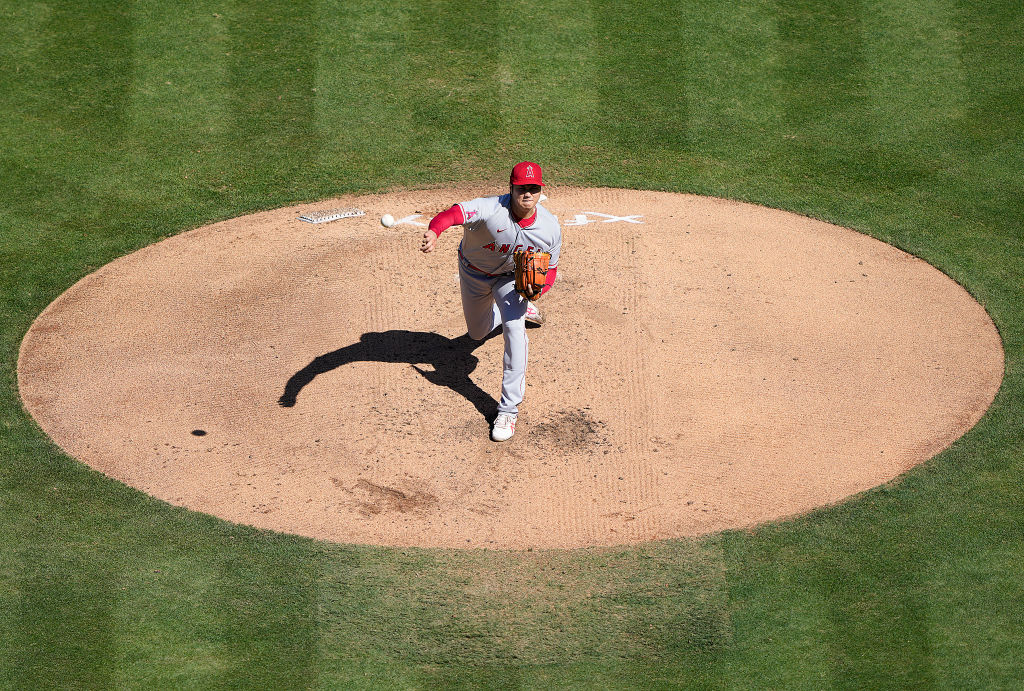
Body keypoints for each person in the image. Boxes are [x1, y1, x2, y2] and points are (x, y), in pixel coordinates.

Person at [420, 161, 562, 441]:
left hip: (511, 281)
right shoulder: (489, 208)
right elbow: (453, 214)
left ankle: (509, 409)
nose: (527, 194)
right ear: (511, 187)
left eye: (533, 188)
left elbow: (552, 269)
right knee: (477, 332)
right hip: (473, 273)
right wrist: (434, 232)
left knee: (515, 331)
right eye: (522, 188)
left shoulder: (550, 227)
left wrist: (538, 289)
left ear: (540, 190)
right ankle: (511, 311)